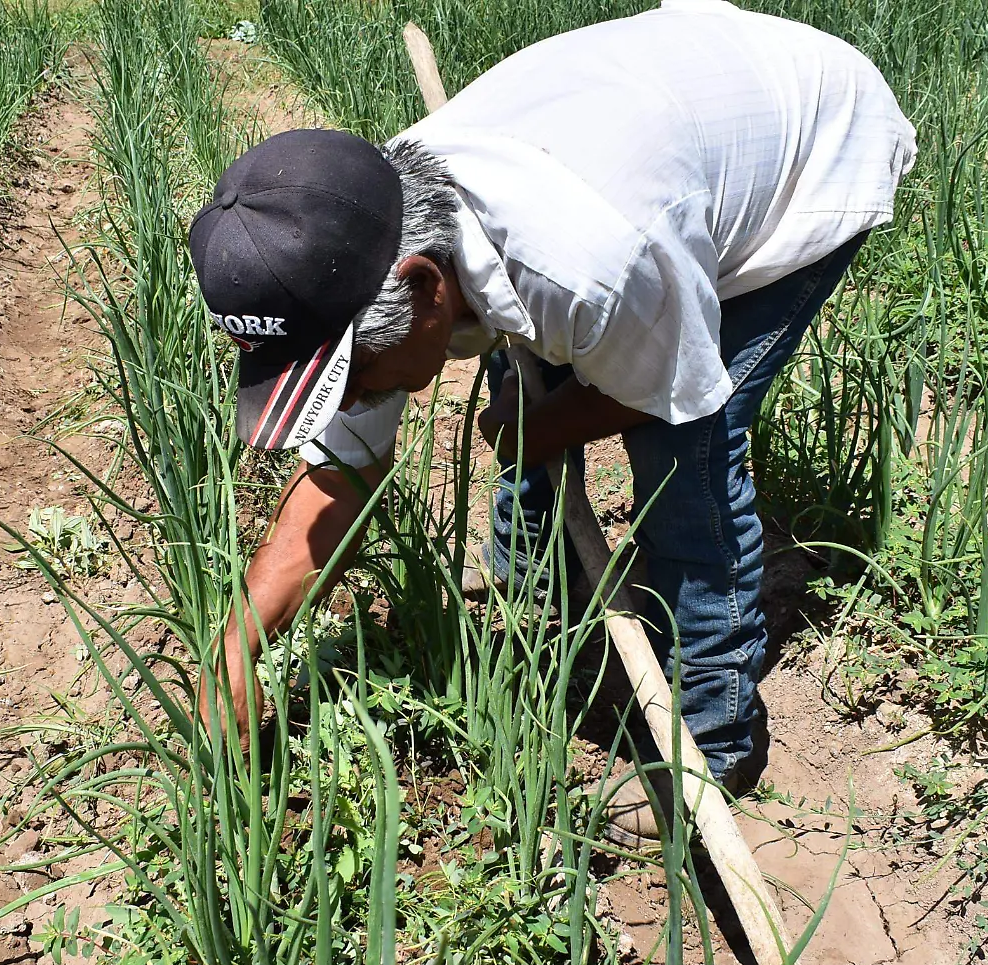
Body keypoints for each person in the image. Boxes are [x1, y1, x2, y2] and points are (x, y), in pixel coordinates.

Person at [187, 0, 914, 844]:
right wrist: (240, 643)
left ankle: (716, 744)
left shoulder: (590, 261)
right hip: (657, 130)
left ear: (425, 290)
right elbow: (340, 473)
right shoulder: (369, 244)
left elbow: (671, 388)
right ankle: (536, 575)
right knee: (532, 364)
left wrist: (547, 428)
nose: (352, 403)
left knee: (683, 454)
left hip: (808, 144)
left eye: (347, 381)